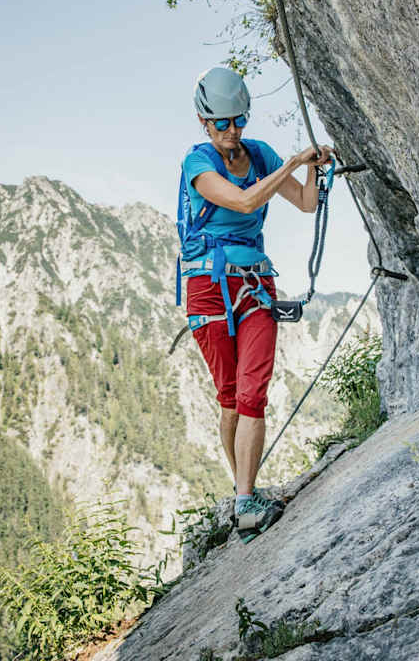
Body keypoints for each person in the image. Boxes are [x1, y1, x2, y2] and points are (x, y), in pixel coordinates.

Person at [178, 66, 333, 543]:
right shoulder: (198, 163)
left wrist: (312, 168)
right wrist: (292, 162)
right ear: (204, 122)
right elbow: (244, 203)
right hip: (209, 287)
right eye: (222, 123)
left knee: (252, 393)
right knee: (229, 397)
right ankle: (243, 491)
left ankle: (245, 499)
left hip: (255, 283)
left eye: (238, 121)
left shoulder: (260, 155)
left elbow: (306, 202)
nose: (231, 131)